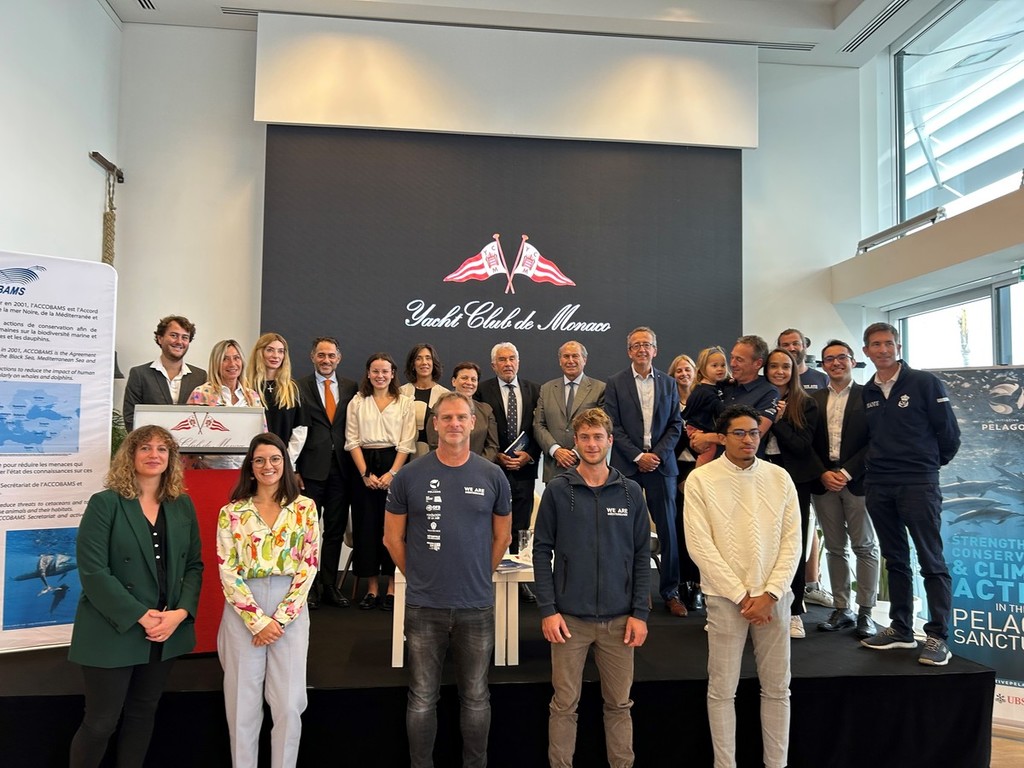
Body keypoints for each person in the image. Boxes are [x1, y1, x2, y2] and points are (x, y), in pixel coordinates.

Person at [384, 392, 512, 768]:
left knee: (476, 697)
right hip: (424, 605)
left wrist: (480, 574)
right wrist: (419, 576)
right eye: (447, 418)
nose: (454, 423)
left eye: (461, 417)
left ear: (473, 422)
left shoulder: (492, 475)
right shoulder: (410, 475)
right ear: (435, 424)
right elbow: (392, 539)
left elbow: (502, 537)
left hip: (476, 605)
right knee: (422, 697)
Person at [68, 426, 203, 768]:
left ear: (171, 458)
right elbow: (93, 572)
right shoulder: (105, 504)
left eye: (162, 449)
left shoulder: (182, 504)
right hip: (114, 626)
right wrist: (141, 615)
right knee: (101, 723)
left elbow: (193, 565)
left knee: (143, 712)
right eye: (145, 448)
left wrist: (180, 613)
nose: (154, 455)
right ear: (130, 455)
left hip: (165, 629)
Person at [684, 405, 801, 768]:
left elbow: (793, 541)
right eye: (739, 433)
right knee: (722, 690)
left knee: (778, 689)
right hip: (725, 599)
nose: (748, 439)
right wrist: (741, 595)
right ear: (722, 438)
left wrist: (771, 593)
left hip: (774, 599)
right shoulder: (701, 480)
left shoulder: (780, 477)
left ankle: (776, 763)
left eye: (753, 432)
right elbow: (699, 545)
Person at [533, 408, 650, 768]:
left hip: (620, 622)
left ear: (610, 440)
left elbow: (642, 555)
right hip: (569, 621)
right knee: (564, 705)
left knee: (619, 705)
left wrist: (640, 613)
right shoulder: (558, 490)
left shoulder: (631, 492)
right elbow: (541, 551)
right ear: (576, 441)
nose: (592, 443)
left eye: (598, 436)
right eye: (584, 437)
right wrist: (548, 610)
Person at [859, 322, 960, 665]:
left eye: (889, 343)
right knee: (895, 559)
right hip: (879, 484)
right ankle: (901, 628)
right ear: (867, 351)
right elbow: (870, 438)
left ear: (898, 347)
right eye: (876, 344)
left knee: (931, 560)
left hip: (918, 483)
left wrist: (926, 466)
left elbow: (949, 434)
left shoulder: (924, 382)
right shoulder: (868, 391)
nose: (883, 349)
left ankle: (937, 636)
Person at [216, 432, 319, 768]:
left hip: (290, 606)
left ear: (285, 463)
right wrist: (258, 621)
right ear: (250, 466)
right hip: (243, 609)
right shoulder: (232, 512)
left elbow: (309, 565)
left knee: (289, 704)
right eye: (259, 460)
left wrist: (280, 619)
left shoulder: (304, 508)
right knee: (242, 705)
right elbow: (227, 569)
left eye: (275, 459)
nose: (267, 466)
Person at [604, 326, 685, 617]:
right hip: (628, 465)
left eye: (646, 344)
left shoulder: (669, 383)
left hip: (661, 467)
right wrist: (638, 456)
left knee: (668, 531)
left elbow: (676, 425)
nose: (641, 349)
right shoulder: (615, 383)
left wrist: (655, 456)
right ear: (629, 352)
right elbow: (612, 425)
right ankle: (634, 591)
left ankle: (671, 592)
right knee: (624, 530)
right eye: (636, 345)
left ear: (655, 350)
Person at [809, 340, 879, 638]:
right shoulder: (813, 400)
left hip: (858, 480)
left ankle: (866, 612)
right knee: (835, 548)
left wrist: (847, 472)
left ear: (853, 361)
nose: (836, 363)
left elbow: (875, 440)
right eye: (829, 359)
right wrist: (823, 473)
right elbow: (807, 442)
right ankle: (842, 608)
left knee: (865, 547)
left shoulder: (869, 396)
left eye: (842, 357)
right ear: (823, 365)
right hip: (824, 482)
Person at [345, 352, 416, 611]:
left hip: (395, 464)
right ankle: (372, 588)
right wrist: (365, 474)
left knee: (393, 529)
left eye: (385, 371)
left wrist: (393, 474)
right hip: (363, 466)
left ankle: (392, 588)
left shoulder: (405, 402)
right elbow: (352, 440)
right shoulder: (358, 401)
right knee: (366, 528)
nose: (380, 375)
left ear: (392, 373)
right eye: (375, 371)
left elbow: (407, 442)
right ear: (368, 373)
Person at [296, 336, 358, 609]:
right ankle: (307, 587)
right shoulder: (298, 387)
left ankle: (330, 585)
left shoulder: (351, 387)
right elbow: (293, 427)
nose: (326, 360)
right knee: (307, 532)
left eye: (331, 355)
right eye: (321, 355)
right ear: (312, 357)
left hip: (342, 470)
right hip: (309, 470)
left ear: (338, 358)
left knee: (334, 531)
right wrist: (293, 468)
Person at [475, 341, 541, 602]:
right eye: (502, 360)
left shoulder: (534, 390)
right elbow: (478, 429)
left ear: (518, 362)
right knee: (489, 524)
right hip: (492, 470)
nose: (507, 364)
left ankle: (517, 581)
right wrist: (495, 456)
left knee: (520, 525)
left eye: (512, 358)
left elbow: (539, 428)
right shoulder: (482, 390)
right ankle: (488, 577)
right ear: (494, 365)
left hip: (524, 470)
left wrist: (530, 455)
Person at [762, 348, 820, 639]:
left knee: (792, 544)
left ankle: (794, 609)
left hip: (795, 479)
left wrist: (778, 420)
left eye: (785, 366)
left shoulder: (805, 403)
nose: (779, 371)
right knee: (761, 542)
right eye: (773, 366)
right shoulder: (758, 398)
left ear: (794, 370)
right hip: (760, 477)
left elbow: (801, 445)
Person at [690, 335, 778, 461]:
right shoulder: (722, 385)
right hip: (713, 463)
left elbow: (755, 434)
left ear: (757, 363)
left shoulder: (768, 392)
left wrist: (708, 437)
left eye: (739, 360)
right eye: (732, 357)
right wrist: (696, 437)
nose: (732, 364)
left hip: (744, 466)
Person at [533, 340, 606, 484]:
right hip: (554, 467)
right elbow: (538, 425)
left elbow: (603, 427)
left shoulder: (600, 389)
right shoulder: (546, 389)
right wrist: (556, 450)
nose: (570, 361)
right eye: (566, 356)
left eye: (575, 356)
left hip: (587, 466)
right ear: (560, 361)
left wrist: (575, 452)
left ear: (584, 359)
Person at [187, 339, 265, 469]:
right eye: (225, 359)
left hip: (245, 470)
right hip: (209, 470)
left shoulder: (252, 396)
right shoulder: (200, 394)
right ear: (216, 363)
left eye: (236, 358)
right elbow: (188, 438)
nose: (232, 364)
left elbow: (262, 436)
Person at [122, 315, 207, 431]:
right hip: (151, 442)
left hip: (190, 443)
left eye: (185, 337)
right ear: (160, 338)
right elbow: (131, 419)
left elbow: (204, 417)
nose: (179, 341)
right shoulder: (139, 374)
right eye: (174, 335)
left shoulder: (200, 377)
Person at [670, 352, 703, 611]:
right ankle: (682, 583)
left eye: (687, 369)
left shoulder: (704, 400)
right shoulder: (669, 401)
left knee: (701, 529)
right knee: (680, 529)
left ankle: (700, 585)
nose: (683, 374)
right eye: (679, 370)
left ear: (695, 372)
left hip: (702, 468)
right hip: (676, 470)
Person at [245, 333, 308, 466]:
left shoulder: (293, 389)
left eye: (280, 351)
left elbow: (300, 430)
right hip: (252, 461)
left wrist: (285, 459)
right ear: (259, 353)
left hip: (284, 461)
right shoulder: (245, 388)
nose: (276, 356)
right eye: (270, 350)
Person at [424, 362, 500, 461]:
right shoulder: (440, 407)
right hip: (446, 466)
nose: (469, 382)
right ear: (453, 381)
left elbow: (492, 446)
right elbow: (434, 443)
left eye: (473, 379)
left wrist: (477, 466)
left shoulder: (486, 410)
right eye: (464, 378)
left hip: (479, 467)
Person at [399, 343, 450, 458]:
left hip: (437, 456)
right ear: (412, 364)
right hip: (403, 456)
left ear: (434, 363)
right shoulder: (401, 392)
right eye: (418, 358)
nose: (424, 362)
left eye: (428, 358)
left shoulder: (445, 395)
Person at [682, 346, 729, 468]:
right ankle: (699, 472)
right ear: (703, 368)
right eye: (714, 366)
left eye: (723, 365)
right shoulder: (704, 392)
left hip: (704, 428)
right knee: (709, 451)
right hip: (698, 428)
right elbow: (721, 411)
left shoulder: (715, 386)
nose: (720, 369)